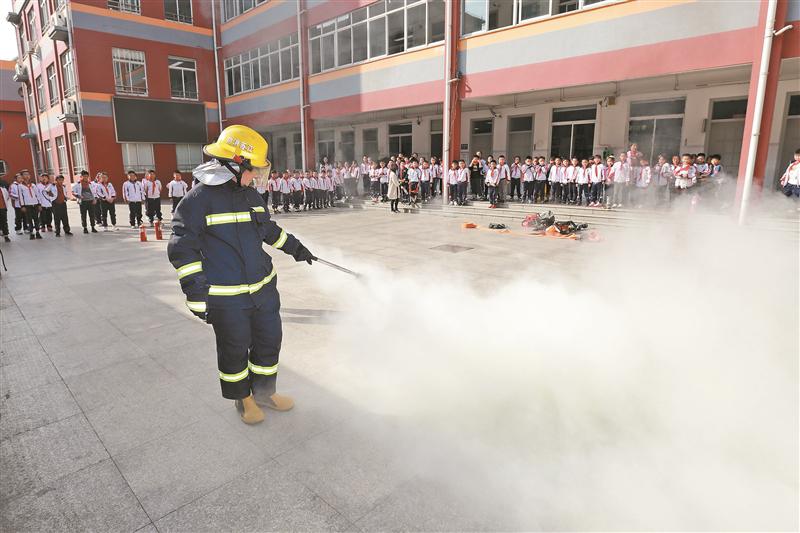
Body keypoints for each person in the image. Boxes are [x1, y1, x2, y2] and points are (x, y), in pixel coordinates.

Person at [167, 125, 315, 425]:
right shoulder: (197, 201)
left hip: (263, 290)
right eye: (252, 170)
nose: (256, 177)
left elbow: (268, 230)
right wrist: (197, 296)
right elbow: (182, 250)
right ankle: (243, 398)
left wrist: (296, 248)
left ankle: (263, 392)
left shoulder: (250, 197)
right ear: (234, 165)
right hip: (226, 297)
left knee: (269, 341)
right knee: (234, 348)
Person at [19, 172, 42, 239]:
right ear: (22, 176)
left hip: (35, 204)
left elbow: (37, 195)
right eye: (25, 174)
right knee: (29, 219)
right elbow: (21, 196)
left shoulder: (33, 185)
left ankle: (38, 232)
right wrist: (22, 206)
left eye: (28, 174)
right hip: (27, 205)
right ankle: (31, 233)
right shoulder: (20, 186)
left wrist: (39, 204)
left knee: (36, 219)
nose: (27, 176)